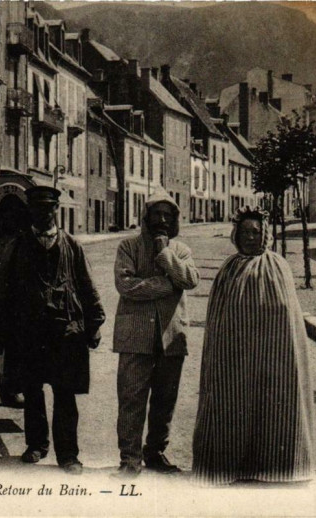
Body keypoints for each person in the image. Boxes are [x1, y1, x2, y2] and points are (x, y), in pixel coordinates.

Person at [0, 185, 105, 475]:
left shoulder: (71, 246)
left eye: (48, 208)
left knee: (65, 394)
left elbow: (87, 285)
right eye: (36, 209)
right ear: (31, 212)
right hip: (28, 333)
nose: (42, 214)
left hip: (65, 332)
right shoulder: (18, 246)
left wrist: (95, 323)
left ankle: (68, 455)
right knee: (32, 392)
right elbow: (2, 291)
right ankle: (37, 445)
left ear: (55, 211)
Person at [192, 205, 315, 486]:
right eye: (245, 232)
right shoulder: (228, 268)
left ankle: (275, 464)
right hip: (233, 354)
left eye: (256, 232)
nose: (250, 237)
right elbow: (217, 317)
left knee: (274, 405)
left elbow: (288, 314)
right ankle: (229, 465)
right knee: (232, 403)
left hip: (274, 353)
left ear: (266, 235)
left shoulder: (278, 265)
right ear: (236, 235)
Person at [113, 189, 200, 476]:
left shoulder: (181, 250)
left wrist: (165, 255)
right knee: (131, 399)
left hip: (171, 338)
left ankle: (155, 453)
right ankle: (129, 459)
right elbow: (126, 286)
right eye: (156, 214)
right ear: (146, 217)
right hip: (135, 337)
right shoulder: (128, 247)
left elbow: (190, 279)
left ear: (174, 220)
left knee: (165, 400)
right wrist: (167, 285)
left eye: (168, 215)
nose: (161, 219)